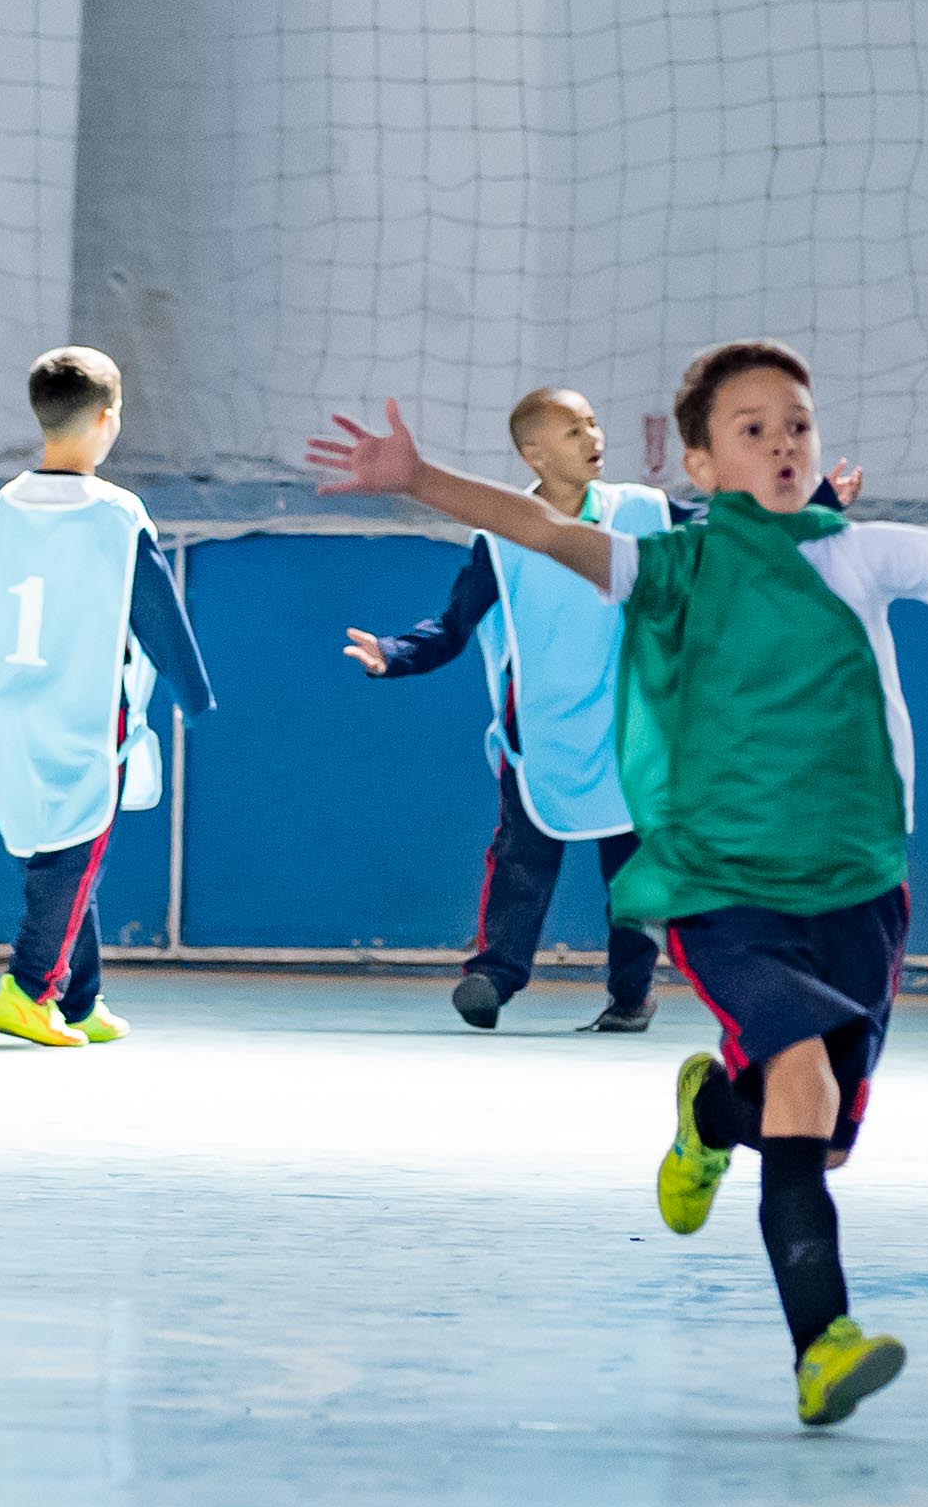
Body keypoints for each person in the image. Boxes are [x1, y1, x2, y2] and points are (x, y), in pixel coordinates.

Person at [308, 340, 928, 1426]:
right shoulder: (670, 564)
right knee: (803, 1081)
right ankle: (822, 1342)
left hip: (857, 888)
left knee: (813, 1125)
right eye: (752, 430)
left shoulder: (857, 553)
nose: (782, 443)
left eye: (797, 425)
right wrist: (418, 477)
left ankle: (708, 1110)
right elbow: (540, 529)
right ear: (699, 464)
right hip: (725, 888)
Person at [344, 385, 855, 1033]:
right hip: (544, 730)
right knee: (520, 857)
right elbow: (452, 625)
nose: (594, 438)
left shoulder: (643, 510)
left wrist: (815, 503)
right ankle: (493, 977)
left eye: (592, 424)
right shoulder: (501, 536)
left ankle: (630, 994)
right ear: (534, 453)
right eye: (573, 430)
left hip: (633, 729)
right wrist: (393, 653)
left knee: (633, 874)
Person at [0, 346, 217, 1047]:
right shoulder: (114, 513)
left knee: (53, 844)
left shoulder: (5, 505)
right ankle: (27, 989)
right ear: (107, 419)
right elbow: (156, 608)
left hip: (14, 703)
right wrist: (194, 693)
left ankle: (80, 1000)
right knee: (76, 851)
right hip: (85, 705)